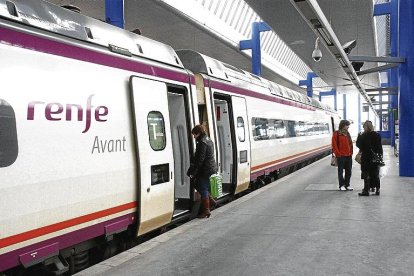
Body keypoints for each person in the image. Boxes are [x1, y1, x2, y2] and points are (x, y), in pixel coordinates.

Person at [187, 124, 218, 218]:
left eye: (194, 134)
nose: (193, 136)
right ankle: (211, 201)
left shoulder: (202, 143)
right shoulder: (208, 139)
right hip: (210, 167)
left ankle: (206, 210)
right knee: (198, 185)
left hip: (205, 169)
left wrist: (193, 172)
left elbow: (199, 160)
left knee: (202, 188)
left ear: (199, 133)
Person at [356, 120, 383, 196]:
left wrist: (359, 137)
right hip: (375, 158)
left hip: (366, 158)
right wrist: (380, 156)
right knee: (375, 174)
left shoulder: (364, 135)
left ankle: (366, 190)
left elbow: (359, 145)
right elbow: (380, 147)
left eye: (364, 126)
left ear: (366, 127)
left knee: (366, 174)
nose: (363, 128)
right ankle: (377, 190)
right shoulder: (377, 135)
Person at [332, 119, 354, 191]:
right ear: (343, 125)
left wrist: (351, 152)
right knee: (340, 171)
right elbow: (334, 144)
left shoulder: (347, 134)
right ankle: (341, 185)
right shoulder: (336, 133)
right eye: (347, 125)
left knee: (349, 171)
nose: (348, 127)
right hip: (341, 156)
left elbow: (350, 143)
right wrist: (338, 154)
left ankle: (347, 184)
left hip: (348, 155)